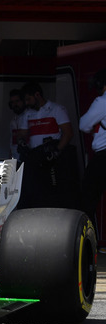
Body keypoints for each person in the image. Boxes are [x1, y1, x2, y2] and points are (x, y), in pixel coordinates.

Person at [16, 81, 76, 209]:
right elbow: (22, 133)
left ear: (37, 95)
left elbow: (68, 133)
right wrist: (21, 141)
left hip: (52, 158)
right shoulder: (28, 113)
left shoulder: (56, 109)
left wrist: (56, 152)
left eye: (28, 99)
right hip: (35, 157)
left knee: (53, 192)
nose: (26, 103)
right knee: (33, 191)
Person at [79, 68, 106, 223]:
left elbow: (84, 124)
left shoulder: (102, 101)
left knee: (87, 200)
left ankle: (89, 242)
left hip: (103, 157)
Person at [8, 88, 26, 159]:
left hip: (28, 158)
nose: (15, 104)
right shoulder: (13, 121)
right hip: (15, 159)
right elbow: (11, 142)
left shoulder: (30, 116)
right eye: (12, 102)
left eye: (17, 101)